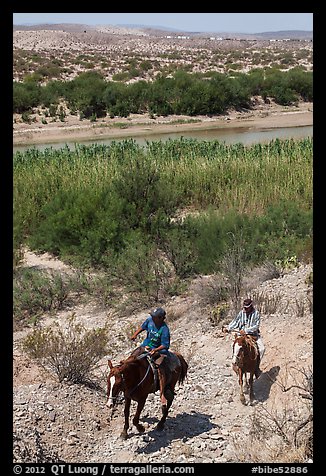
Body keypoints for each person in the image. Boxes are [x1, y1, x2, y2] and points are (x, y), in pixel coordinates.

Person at [130, 307, 171, 405]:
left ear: (160, 318)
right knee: (133, 358)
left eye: (154, 316)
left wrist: (155, 350)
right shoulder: (150, 321)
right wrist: (135, 334)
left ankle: (162, 393)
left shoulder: (164, 329)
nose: (152, 318)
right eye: (152, 316)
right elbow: (143, 327)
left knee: (159, 368)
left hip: (159, 350)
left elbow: (165, 344)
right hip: (146, 345)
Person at [222, 298, 265, 378]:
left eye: (247, 307)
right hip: (241, 335)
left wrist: (246, 330)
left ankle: (256, 367)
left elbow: (256, 326)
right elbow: (235, 321)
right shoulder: (241, 313)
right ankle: (236, 363)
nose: (245, 309)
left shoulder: (256, 314)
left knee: (262, 349)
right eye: (245, 307)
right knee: (234, 345)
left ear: (251, 306)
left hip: (252, 335)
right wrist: (228, 328)